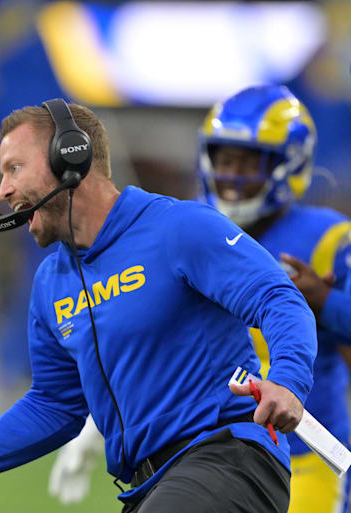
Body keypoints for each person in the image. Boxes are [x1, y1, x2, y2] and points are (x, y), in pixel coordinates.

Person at [0, 99, 317, 513]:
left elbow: (277, 298)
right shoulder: (50, 282)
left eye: (15, 168)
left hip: (229, 459)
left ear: (70, 158)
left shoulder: (179, 227)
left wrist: (288, 380)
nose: (3, 190)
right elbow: (54, 406)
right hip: (151, 485)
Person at [46, 84, 351, 513]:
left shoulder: (327, 237)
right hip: (209, 454)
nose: (233, 174)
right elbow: (148, 346)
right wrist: (94, 428)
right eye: (225, 159)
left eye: (248, 161)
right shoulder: (185, 230)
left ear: (290, 161)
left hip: (305, 458)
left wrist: (326, 303)